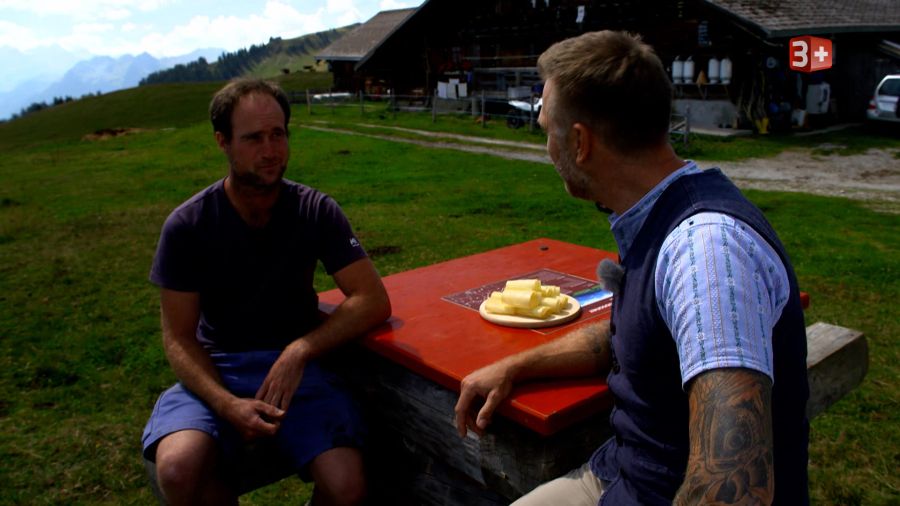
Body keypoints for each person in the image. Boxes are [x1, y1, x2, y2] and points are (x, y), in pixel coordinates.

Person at [454, 31, 809, 505]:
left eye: (546, 131)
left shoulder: (705, 251)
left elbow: (732, 489)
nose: (547, 149)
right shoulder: (658, 211)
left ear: (579, 142)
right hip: (623, 474)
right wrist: (517, 366)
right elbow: (637, 333)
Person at [142, 78, 391, 506]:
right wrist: (224, 404)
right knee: (178, 470)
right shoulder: (187, 227)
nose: (271, 150)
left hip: (297, 374)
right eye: (253, 138)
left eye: (278, 134)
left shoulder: (315, 211)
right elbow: (179, 338)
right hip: (217, 367)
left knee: (347, 486)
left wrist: (299, 351)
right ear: (223, 142)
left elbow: (372, 299)